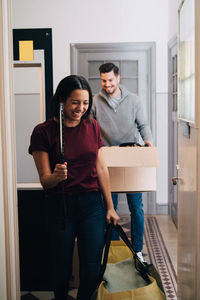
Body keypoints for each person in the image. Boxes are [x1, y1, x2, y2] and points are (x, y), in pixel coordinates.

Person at [28, 75, 119, 300]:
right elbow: (45, 180)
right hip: (60, 206)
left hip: (91, 206)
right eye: (75, 102)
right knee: (61, 270)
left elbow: (101, 168)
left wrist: (110, 206)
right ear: (61, 101)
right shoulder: (43, 132)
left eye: (86, 103)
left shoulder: (92, 126)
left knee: (91, 270)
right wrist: (56, 177)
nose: (81, 108)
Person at [91, 62, 153, 263]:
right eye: (103, 80)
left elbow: (143, 125)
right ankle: (114, 249)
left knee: (137, 207)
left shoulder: (134, 101)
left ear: (118, 78)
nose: (107, 84)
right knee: (109, 208)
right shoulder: (95, 101)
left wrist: (149, 144)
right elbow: (89, 129)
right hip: (107, 159)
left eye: (110, 80)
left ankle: (137, 251)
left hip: (130, 157)